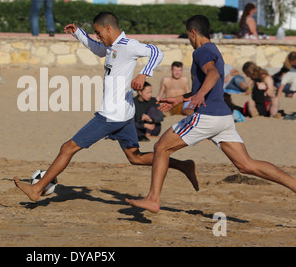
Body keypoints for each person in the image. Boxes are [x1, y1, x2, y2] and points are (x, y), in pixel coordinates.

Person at [14, 11, 199, 202]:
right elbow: (97, 48)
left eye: (98, 32)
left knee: (67, 148)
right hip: (125, 114)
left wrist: (144, 74)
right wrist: (78, 33)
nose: (97, 37)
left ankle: (37, 189)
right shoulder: (111, 47)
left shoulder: (128, 46)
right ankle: (184, 166)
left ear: (109, 28)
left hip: (111, 115)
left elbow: (156, 52)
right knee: (135, 157)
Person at [125, 15, 296, 214]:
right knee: (246, 165)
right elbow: (209, 81)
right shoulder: (213, 49)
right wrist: (182, 98)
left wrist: (200, 95)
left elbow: (213, 74)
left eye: (188, 36)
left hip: (207, 117)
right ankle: (293, 184)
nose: (189, 40)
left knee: (161, 147)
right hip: (223, 117)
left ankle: (153, 199)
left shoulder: (201, 51)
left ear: (193, 32)